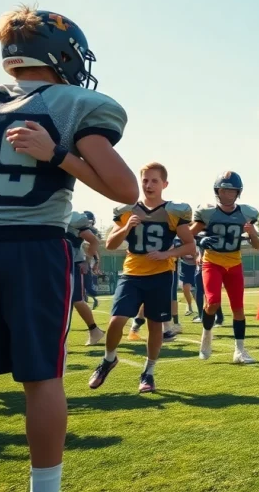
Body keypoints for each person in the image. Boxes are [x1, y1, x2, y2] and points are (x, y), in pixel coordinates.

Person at [0, 6, 136, 492]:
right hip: (36, 250)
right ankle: (45, 487)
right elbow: (125, 189)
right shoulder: (72, 104)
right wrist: (58, 154)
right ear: (61, 54)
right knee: (41, 378)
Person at [89, 163, 195, 393]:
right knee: (117, 320)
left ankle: (148, 372)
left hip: (160, 275)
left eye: (154, 181)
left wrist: (167, 253)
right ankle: (109, 359)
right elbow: (110, 244)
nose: (148, 185)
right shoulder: (128, 210)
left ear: (164, 184)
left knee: (155, 327)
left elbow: (190, 245)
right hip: (132, 273)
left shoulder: (173, 212)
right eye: (145, 180)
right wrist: (126, 227)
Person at [190, 172, 259, 363]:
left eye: (231, 191)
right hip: (212, 262)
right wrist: (200, 239)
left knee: (238, 308)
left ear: (238, 192)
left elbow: (257, 245)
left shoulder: (246, 213)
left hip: (235, 263)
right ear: (217, 191)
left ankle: (239, 351)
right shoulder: (208, 213)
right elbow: (187, 235)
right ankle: (206, 336)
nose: (228, 194)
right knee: (212, 303)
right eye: (224, 190)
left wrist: (252, 233)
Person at [65, 211, 104, 345]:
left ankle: (94, 330)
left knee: (77, 299)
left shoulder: (73, 218)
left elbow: (94, 241)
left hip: (73, 264)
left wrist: (87, 261)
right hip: (56, 264)